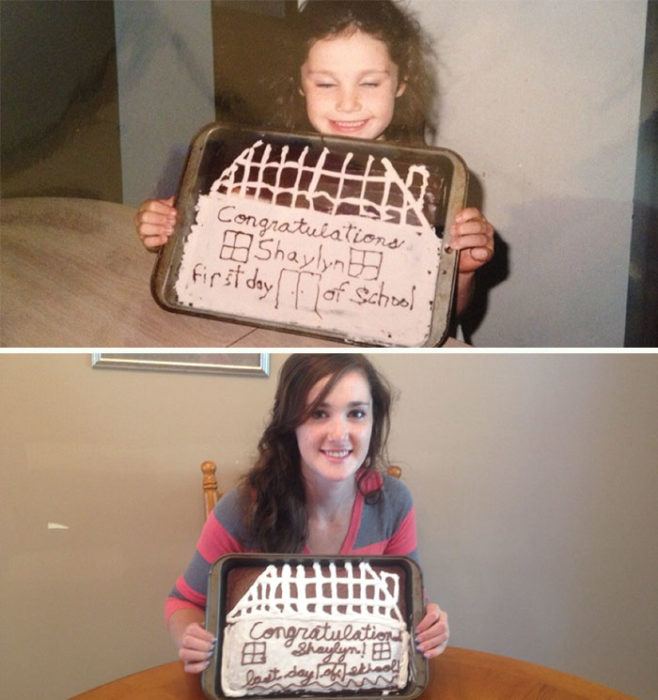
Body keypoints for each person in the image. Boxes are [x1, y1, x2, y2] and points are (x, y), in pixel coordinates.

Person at [135, 0, 494, 316]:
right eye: (326, 83)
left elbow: (444, 315)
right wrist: (170, 229)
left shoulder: (429, 185)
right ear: (300, 82)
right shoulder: (261, 164)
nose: (347, 103)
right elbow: (220, 265)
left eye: (369, 83)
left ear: (401, 82)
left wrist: (462, 272)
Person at [166, 353, 450, 674]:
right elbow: (183, 603)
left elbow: (410, 606)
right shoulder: (240, 510)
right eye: (318, 413)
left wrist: (430, 623)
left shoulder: (394, 503)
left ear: (374, 422)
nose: (339, 433)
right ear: (291, 425)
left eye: (356, 413)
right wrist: (191, 638)